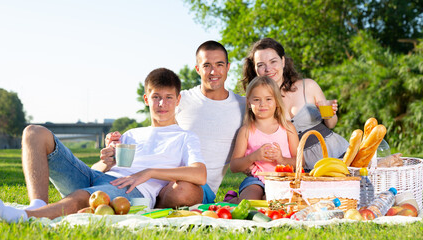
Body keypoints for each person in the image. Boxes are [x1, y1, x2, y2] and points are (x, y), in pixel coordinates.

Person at [0, 68, 206, 223]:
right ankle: (37, 205)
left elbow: (200, 174)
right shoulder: (131, 134)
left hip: (131, 190)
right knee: (33, 132)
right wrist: (106, 162)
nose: (162, 104)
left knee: (87, 196)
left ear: (178, 100)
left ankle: (27, 218)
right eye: (156, 97)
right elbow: (98, 171)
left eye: (169, 97)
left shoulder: (185, 137)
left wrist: (148, 173)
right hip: (98, 177)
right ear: (146, 99)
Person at [105, 40, 245, 207]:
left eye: (219, 64)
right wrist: (116, 142)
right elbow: (155, 130)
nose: (213, 71)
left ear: (228, 67)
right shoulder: (181, 99)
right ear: (198, 69)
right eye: (207, 65)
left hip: (195, 183)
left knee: (182, 191)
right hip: (157, 176)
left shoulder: (243, 106)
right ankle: (142, 200)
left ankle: (147, 203)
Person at [241, 38, 349, 170]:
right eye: (261, 65)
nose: (268, 69)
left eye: (273, 61)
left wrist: (329, 113)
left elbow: (331, 124)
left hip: (336, 153)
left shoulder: (308, 86)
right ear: (255, 68)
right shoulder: (258, 103)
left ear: (283, 61)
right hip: (300, 166)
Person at [228, 76, 299, 203]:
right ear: (249, 103)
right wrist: (253, 157)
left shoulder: (288, 128)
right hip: (255, 179)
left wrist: (281, 159)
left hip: (282, 179)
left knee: (274, 203)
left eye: (268, 99)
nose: (262, 104)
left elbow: (300, 162)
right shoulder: (246, 131)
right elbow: (234, 166)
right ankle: (232, 200)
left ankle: (261, 199)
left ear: (277, 102)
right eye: (256, 99)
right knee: (249, 203)